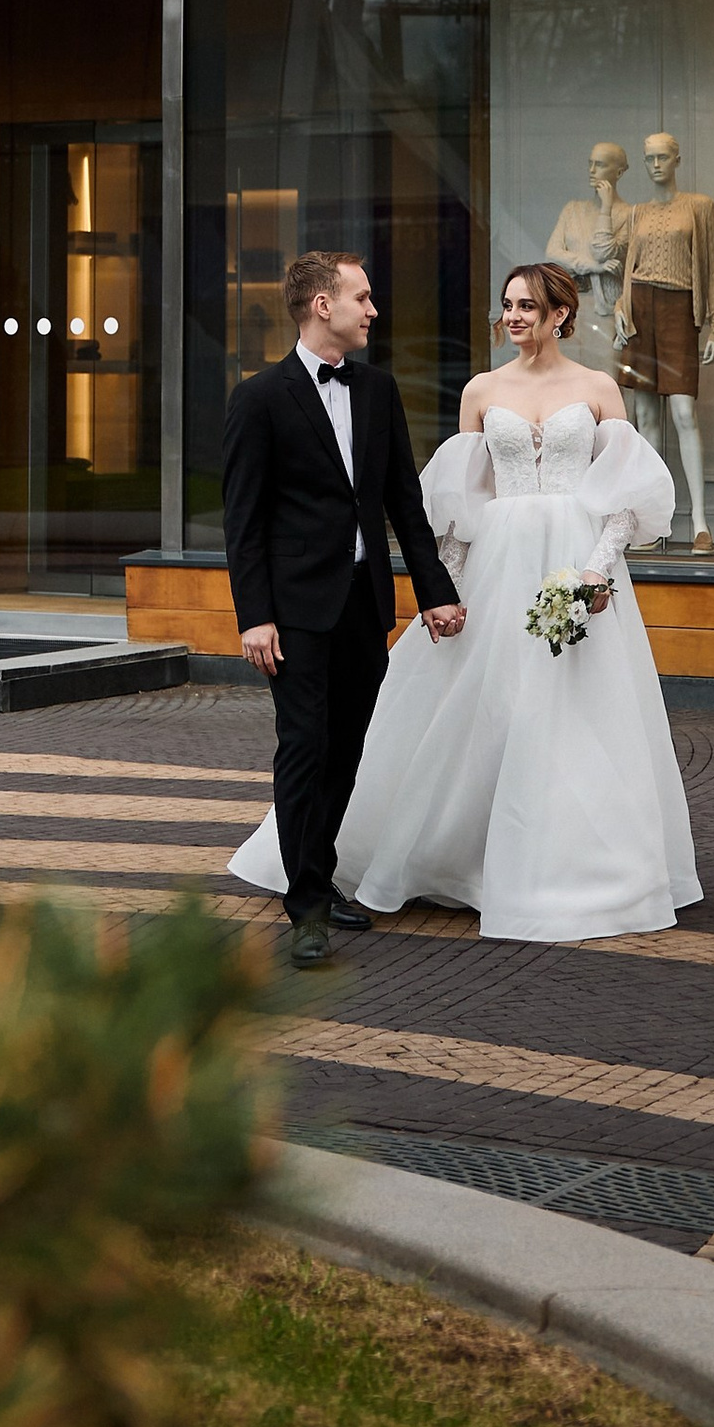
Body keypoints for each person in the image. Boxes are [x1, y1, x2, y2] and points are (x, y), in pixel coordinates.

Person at [229, 261, 700, 943]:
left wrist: (596, 572)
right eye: (506, 305)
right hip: (492, 566)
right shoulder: (478, 390)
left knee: (574, 714)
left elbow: (621, 496)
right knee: (464, 714)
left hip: (573, 560)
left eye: (527, 307)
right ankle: (318, 888)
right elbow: (452, 508)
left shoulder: (598, 388)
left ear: (561, 314)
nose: (512, 317)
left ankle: (576, 866)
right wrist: (444, 592)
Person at [220, 250, 464, 972]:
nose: (373, 310)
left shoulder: (379, 391)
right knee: (304, 747)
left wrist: (436, 591)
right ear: (322, 305)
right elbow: (244, 521)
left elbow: (402, 505)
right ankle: (307, 909)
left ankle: (317, 877)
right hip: (292, 613)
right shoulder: (259, 398)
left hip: (363, 606)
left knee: (347, 750)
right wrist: (253, 615)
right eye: (362, 296)